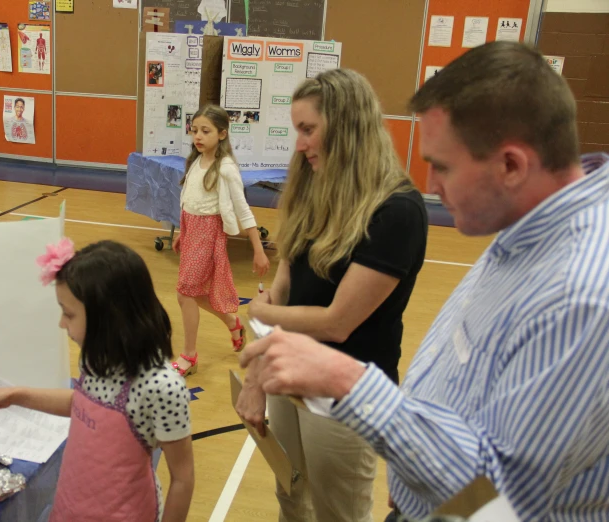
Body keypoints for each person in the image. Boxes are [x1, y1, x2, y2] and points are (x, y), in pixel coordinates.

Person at [240, 41, 609, 520]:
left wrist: (346, 381)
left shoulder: (580, 298)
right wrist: (420, 469)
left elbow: (499, 504)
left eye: (443, 166)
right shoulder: (530, 232)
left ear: (512, 166)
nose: (430, 187)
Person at [236, 68, 428, 522]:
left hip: (346, 397)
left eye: (308, 130)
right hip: (289, 377)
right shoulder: (312, 187)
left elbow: (338, 321)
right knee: (291, 494)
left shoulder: (396, 210)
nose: (299, 144)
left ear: (347, 127)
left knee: (337, 513)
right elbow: (281, 290)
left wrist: (261, 314)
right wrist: (256, 379)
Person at [0, 239, 195, 522]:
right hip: (71, 508)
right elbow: (85, 404)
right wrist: (14, 395)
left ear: (108, 317)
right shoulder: (96, 357)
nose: (61, 323)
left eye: (68, 314)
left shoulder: (162, 387)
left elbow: (183, 478)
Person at [172, 104, 270, 376]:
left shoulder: (225, 168)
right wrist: (183, 231)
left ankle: (189, 356)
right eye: (195, 131)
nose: (198, 137)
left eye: (206, 131)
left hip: (209, 233)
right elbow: (191, 201)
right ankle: (232, 322)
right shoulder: (195, 161)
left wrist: (258, 250)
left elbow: (243, 209)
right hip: (193, 230)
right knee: (196, 293)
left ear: (222, 134)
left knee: (185, 293)